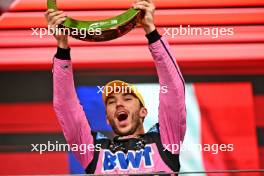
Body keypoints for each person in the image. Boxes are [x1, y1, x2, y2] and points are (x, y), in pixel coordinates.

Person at [45, 0, 186, 174]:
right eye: (111, 101)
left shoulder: (165, 141)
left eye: (127, 98)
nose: (119, 104)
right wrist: (62, 47)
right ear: (107, 118)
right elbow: (66, 108)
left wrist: (151, 31)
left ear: (143, 111)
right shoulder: (92, 152)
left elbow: (174, 91)